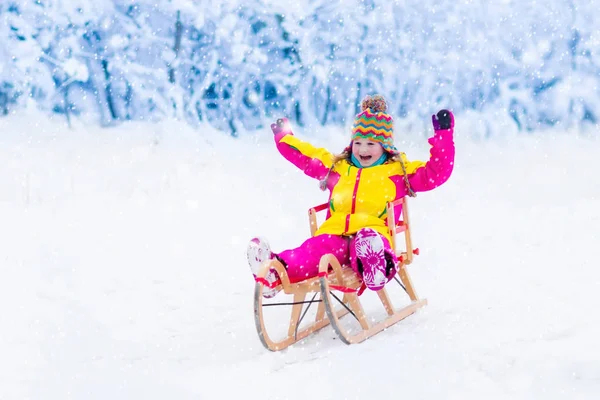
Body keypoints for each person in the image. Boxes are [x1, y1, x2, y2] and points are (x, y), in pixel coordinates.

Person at [247, 95, 455, 297]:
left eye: (371, 144)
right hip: (335, 233)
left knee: (367, 242)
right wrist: (283, 137)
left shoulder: (397, 173)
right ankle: (275, 271)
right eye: (358, 143)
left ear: (385, 146)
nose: (363, 149)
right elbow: (306, 156)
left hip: (373, 232)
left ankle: (374, 266)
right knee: (311, 252)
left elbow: (435, 173)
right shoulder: (338, 168)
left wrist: (443, 135)